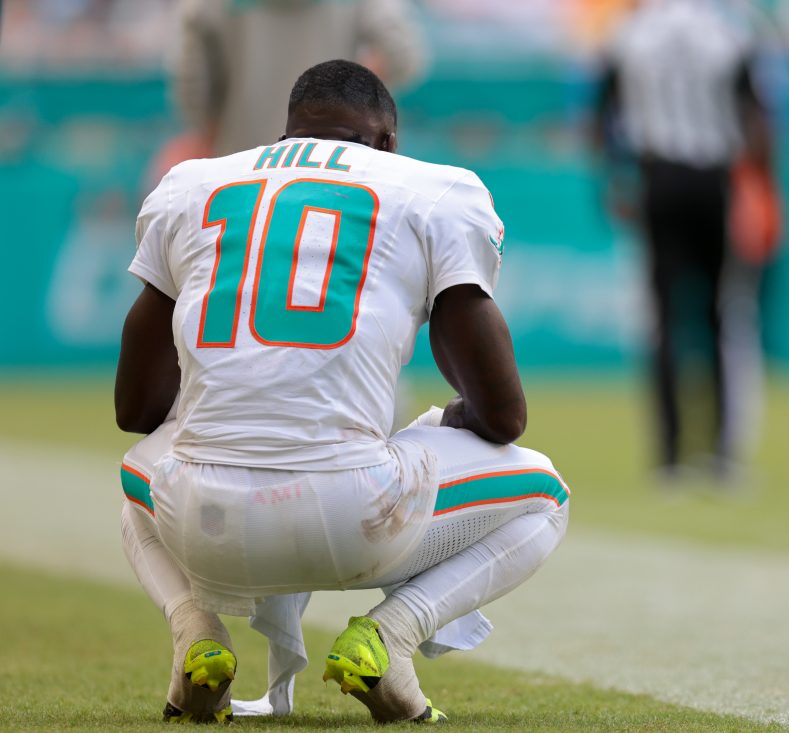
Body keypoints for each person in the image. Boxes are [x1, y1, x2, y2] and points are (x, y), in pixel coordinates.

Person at [115, 59, 570, 724]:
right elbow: (506, 416)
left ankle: (195, 630)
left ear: (290, 131)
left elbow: (137, 410)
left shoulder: (194, 183)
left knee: (138, 479)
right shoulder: (433, 190)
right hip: (354, 515)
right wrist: (452, 417)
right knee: (546, 494)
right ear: (387, 140)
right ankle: (391, 635)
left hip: (200, 523)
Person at [594, 0, 776, 479]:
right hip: (713, 180)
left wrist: (612, 178)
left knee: (664, 320)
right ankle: (720, 450)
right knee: (720, 315)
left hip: (658, 179)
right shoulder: (730, 31)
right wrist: (765, 187)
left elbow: (601, 113)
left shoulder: (630, 33)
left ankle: (670, 455)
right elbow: (756, 116)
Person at [171, 0, 425, 157]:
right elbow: (403, 55)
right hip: (339, 165)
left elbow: (194, 86)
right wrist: (348, 97)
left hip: (245, 164)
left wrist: (212, 137)